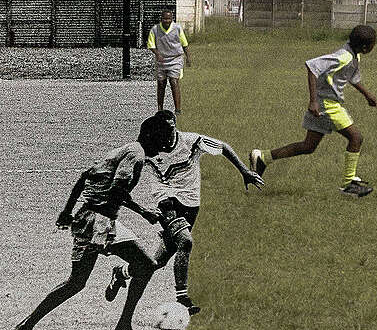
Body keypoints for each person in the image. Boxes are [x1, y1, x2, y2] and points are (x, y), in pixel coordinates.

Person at [12, 115, 175, 330]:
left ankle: (124, 326)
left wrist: (67, 211)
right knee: (77, 282)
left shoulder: (128, 149)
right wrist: (143, 212)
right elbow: (117, 187)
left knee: (142, 266)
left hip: (98, 219)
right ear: (153, 135)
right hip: (96, 223)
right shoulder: (136, 156)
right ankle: (25, 327)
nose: (169, 138)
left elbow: (85, 175)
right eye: (167, 133)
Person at [103, 110, 263, 316]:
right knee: (185, 241)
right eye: (166, 129)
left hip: (190, 204)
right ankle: (182, 298)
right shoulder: (148, 147)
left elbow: (223, 147)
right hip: (166, 201)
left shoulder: (190, 141)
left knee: (155, 263)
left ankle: (121, 272)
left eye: (173, 127)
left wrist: (244, 171)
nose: (171, 133)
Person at [250, 25, 377, 197]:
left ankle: (262, 158)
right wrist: (313, 101)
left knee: (308, 146)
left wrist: (367, 94)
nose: (373, 46)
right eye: (373, 44)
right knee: (356, 138)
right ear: (364, 47)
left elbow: (351, 77)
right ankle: (349, 183)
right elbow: (312, 67)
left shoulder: (353, 55)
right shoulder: (344, 56)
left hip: (326, 104)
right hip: (327, 105)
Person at [147, 9, 190, 115]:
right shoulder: (155, 30)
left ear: (172, 19)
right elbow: (151, 45)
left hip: (175, 59)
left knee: (173, 81)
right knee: (161, 83)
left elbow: (185, 44)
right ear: (161, 19)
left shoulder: (177, 28)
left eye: (169, 18)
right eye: (165, 19)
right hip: (162, 60)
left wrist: (188, 57)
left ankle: (178, 109)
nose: (167, 21)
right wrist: (157, 54)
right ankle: (160, 108)